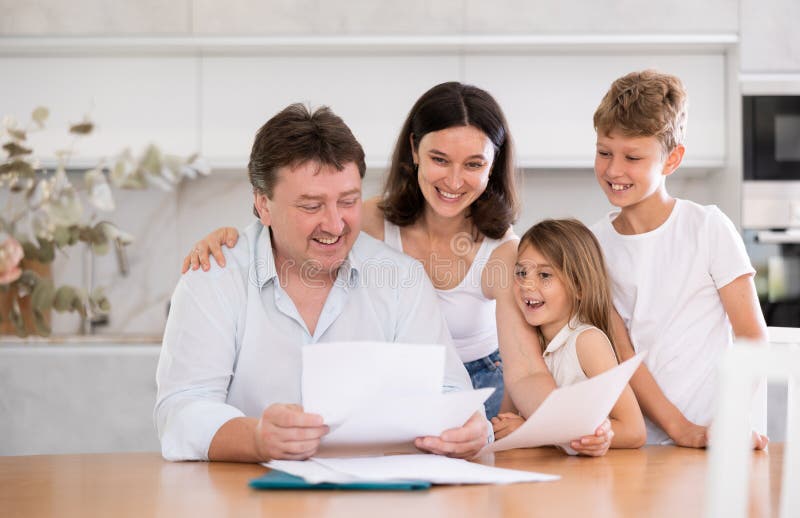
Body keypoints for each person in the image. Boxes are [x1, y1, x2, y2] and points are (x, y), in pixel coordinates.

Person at [182, 82, 613, 448]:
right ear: (414, 151)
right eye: (440, 159)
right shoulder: (364, 220)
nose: (454, 180)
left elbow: (525, 371)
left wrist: (564, 428)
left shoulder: (500, 253)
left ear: (493, 165)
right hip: (396, 395)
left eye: (474, 164)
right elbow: (295, 217)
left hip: (475, 389)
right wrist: (234, 239)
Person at [155, 103, 489, 463]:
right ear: (263, 204)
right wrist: (255, 438)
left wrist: (469, 429)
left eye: (348, 201)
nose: (334, 225)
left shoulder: (402, 279)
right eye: (311, 206)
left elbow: (450, 391)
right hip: (247, 494)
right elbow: (182, 408)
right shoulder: (215, 277)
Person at [588, 69, 769, 449]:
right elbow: (623, 354)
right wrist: (678, 429)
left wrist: (726, 422)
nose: (613, 169)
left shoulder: (708, 228)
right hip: (637, 443)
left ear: (672, 160)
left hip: (713, 440)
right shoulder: (593, 245)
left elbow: (752, 337)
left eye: (632, 157)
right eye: (604, 152)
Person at [491, 219, 646, 454]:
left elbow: (634, 430)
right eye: (521, 272)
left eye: (544, 275)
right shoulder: (524, 345)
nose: (527, 284)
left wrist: (535, 433)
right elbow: (506, 422)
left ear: (579, 287)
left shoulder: (587, 342)